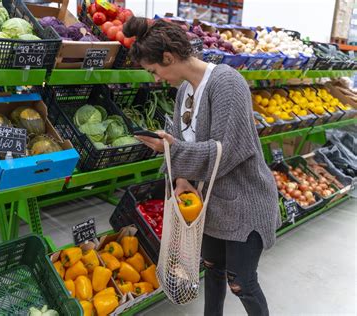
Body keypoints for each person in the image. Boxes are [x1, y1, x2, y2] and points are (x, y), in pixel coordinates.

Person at [123, 17, 281, 316]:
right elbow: (185, 142)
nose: (156, 79)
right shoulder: (184, 91)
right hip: (210, 206)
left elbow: (229, 152)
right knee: (212, 271)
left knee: (241, 283)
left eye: (154, 71)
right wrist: (181, 177)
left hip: (243, 203)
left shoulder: (227, 83)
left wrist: (171, 149)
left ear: (168, 57)